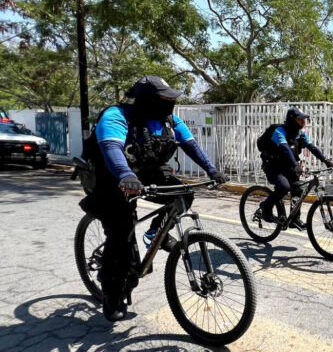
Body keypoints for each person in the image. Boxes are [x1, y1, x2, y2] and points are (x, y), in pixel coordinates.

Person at [79, 76, 227, 322]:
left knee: (183, 194)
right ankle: (111, 294)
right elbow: (111, 147)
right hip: (111, 177)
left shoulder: (170, 121)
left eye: (171, 98)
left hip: (146, 172)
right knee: (121, 232)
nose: (170, 102)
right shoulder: (117, 116)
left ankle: (155, 232)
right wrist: (125, 175)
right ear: (147, 99)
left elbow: (191, 145)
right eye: (164, 98)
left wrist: (212, 170)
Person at [259, 108, 333, 229]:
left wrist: (326, 160)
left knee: (298, 188)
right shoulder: (279, 131)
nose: (303, 123)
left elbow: (312, 147)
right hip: (273, 166)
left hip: (289, 165)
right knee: (284, 187)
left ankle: (294, 220)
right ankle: (266, 208)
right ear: (292, 120)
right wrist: (295, 165)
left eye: (304, 120)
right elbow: (285, 149)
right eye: (300, 120)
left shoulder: (301, 133)